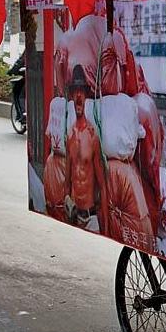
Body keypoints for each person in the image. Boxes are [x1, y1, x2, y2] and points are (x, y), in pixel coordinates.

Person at [65, 64, 108, 234]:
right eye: (75, 91)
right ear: (71, 95)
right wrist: (67, 204)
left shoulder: (92, 137)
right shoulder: (70, 135)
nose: (78, 96)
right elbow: (67, 180)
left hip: (91, 217)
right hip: (75, 216)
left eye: (81, 91)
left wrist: (105, 224)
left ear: (86, 95)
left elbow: (103, 186)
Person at [7, 50, 26, 117]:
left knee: (18, 92)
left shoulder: (31, 47)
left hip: (32, 78)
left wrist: (12, 71)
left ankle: (22, 114)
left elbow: (20, 61)